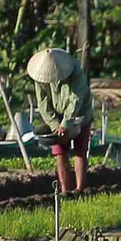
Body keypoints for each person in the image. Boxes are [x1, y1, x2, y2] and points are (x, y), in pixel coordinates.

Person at [26, 46, 90, 195]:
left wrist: (66, 123)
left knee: (80, 151)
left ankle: (79, 189)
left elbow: (76, 100)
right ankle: (64, 191)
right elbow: (43, 103)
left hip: (80, 113)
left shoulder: (76, 73)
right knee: (60, 153)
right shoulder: (40, 77)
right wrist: (55, 124)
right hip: (57, 114)